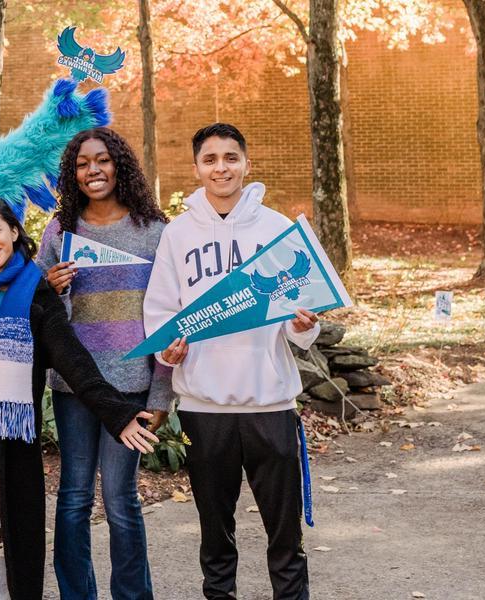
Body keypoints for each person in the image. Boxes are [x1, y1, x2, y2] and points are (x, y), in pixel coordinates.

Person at [0, 195, 159, 599]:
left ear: (14, 231)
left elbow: (75, 362)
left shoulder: (37, 295)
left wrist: (117, 412)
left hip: (5, 431)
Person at [143, 123, 320, 600]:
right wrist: (168, 348)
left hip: (270, 404)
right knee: (215, 534)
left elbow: (300, 310)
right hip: (206, 408)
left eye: (230, 157)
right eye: (210, 159)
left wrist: (303, 326)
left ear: (246, 163)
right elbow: (161, 309)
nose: (221, 167)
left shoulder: (278, 228)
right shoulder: (178, 235)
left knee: (285, 534)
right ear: (197, 168)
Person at [38, 127, 173, 600]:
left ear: (120, 165)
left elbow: (169, 321)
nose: (92, 170)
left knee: (120, 501)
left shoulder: (155, 232)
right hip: (75, 385)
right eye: (82, 164)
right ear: (72, 174)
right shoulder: (60, 230)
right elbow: (34, 309)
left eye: (102, 160)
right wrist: (51, 289)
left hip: (131, 385)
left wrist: (161, 396)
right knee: (73, 498)